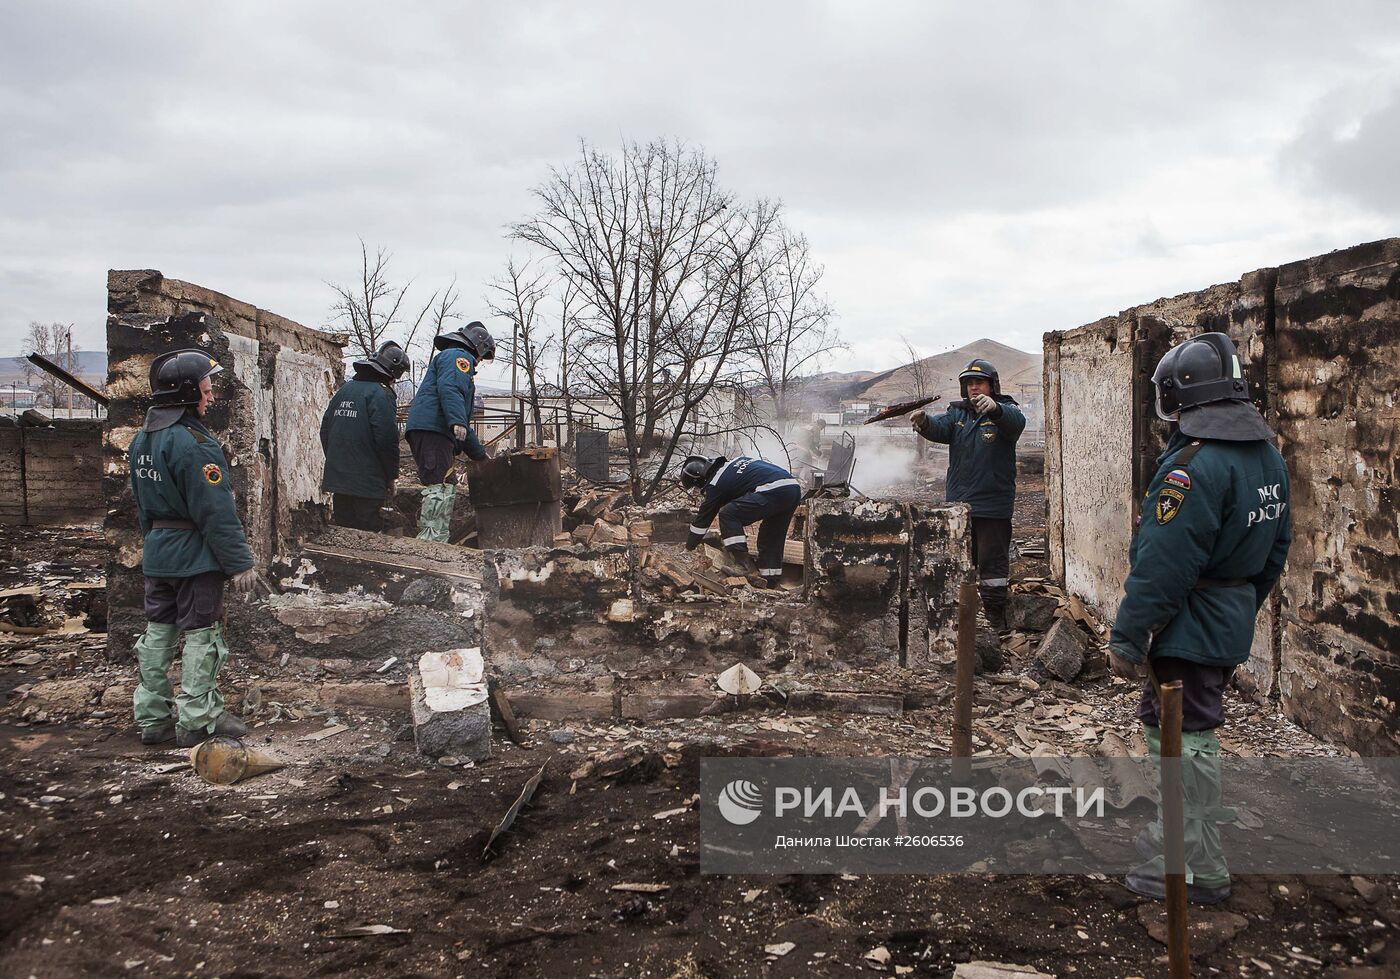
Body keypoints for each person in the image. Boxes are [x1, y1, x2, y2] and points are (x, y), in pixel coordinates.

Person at [1109, 331, 1291, 905]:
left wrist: (1130, 635)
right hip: (1223, 619)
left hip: (1185, 626)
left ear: (1180, 397)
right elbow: (1275, 551)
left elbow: (1163, 564)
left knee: (1178, 738)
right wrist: (1238, 606)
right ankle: (1204, 863)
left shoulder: (1192, 467)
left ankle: (1177, 865)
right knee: (1198, 732)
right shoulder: (1267, 457)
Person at [127, 343, 261, 748]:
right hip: (194, 560)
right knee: (203, 636)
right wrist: (239, 563)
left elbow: (142, 507)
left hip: (158, 554)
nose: (211, 396)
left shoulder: (141, 441)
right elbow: (215, 512)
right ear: (186, 394)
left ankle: (152, 718)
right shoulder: (195, 445)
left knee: (158, 634)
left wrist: (155, 546)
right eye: (205, 389)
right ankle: (198, 719)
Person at [911, 358, 1026, 630]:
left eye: (980, 383)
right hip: (959, 505)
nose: (974, 388)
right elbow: (940, 428)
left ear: (992, 386)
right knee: (959, 560)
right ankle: (961, 617)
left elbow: (1015, 424)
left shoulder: (1007, 410)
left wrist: (996, 410)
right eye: (970, 384)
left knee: (992, 564)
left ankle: (995, 618)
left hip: (993, 504)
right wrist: (925, 423)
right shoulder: (958, 414)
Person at [403, 322, 495, 541]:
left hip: (430, 429)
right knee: (440, 487)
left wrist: (479, 455)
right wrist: (457, 421)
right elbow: (451, 388)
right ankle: (431, 546)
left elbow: (460, 418)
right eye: (482, 356)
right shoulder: (457, 357)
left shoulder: (449, 357)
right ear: (478, 347)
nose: (479, 362)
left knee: (444, 483)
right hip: (434, 431)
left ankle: (434, 539)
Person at [320, 341, 410, 532]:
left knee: (342, 532)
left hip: (339, 479)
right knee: (365, 535)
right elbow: (386, 440)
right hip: (367, 483)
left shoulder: (344, 390)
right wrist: (391, 476)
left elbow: (325, 430)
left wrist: (335, 460)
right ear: (392, 372)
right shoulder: (381, 394)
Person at [680, 454, 801, 588]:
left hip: (773, 489)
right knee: (771, 536)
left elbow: (702, 522)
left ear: (699, 480)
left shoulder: (715, 483)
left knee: (728, 514)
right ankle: (770, 582)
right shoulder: (735, 463)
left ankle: (743, 566)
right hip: (792, 488)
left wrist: (689, 547)